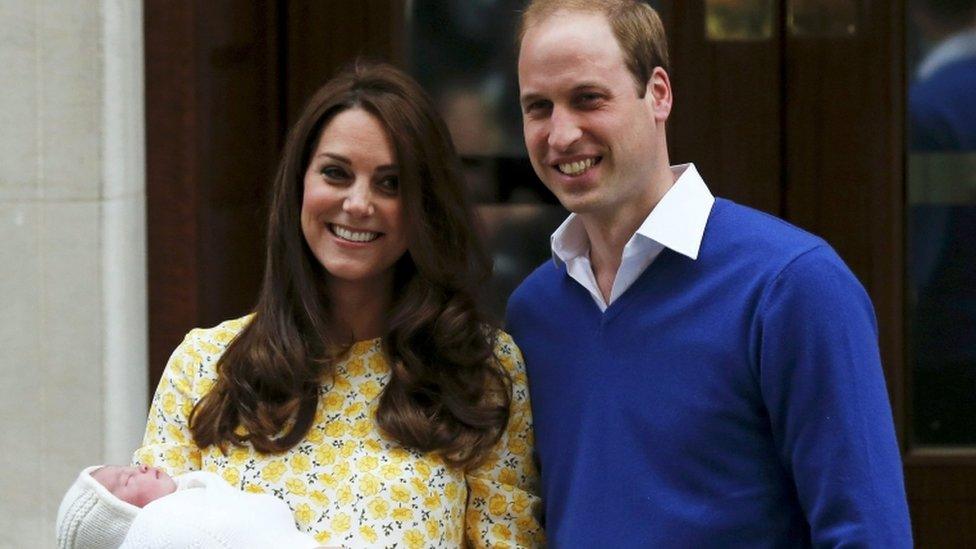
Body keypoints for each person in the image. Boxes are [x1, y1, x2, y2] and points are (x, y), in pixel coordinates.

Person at [504, 0, 913, 546]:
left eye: (588, 99)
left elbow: (868, 533)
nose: (560, 135)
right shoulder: (535, 312)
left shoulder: (792, 286)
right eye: (538, 107)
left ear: (659, 94)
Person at [133, 61, 543, 548]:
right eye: (336, 173)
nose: (358, 203)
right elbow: (144, 535)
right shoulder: (204, 367)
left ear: (424, 205)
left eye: (390, 183)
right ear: (299, 185)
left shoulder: (482, 374)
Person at [55, 464, 321, 548]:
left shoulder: (196, 499)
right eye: (127, 479)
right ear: (117, 518)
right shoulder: (165, 525)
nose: (141, 466)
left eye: (130, 466)